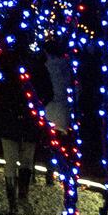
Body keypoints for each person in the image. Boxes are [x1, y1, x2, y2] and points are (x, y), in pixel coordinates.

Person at [0, 46, 53, 215]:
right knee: (26, 160)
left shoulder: (6, 68)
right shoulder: (38, 69)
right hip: (29, 120)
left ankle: (13, 204)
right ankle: (22, 196)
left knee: (11, 162)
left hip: (9, 120)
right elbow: (48, 93)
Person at [42, 39, 72, 185]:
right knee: (61, 144)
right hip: (64, 110)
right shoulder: (67, 68)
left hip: (50, 109)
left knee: (51, 143)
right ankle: (62, 172)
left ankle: (50, 172)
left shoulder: (46, 67)